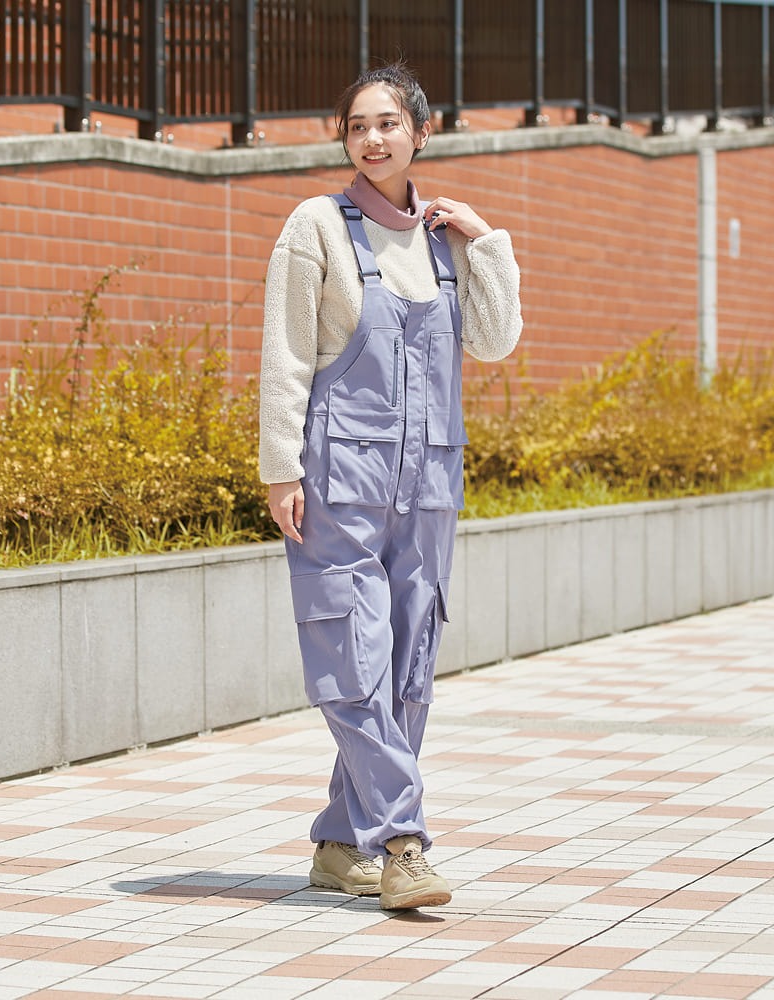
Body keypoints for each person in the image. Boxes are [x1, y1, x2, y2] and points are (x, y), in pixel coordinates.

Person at [258, 61, 522, 910]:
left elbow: (494, 341)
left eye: (387, 124)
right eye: (356, 127)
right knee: (353, 655)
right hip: (340, 477)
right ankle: (402, 843)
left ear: (421, 132)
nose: (371, 139)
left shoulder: (444, 239)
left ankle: (343, 842)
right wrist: (279, 468)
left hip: (430, 482)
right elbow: (286, 353)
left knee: (409, 663)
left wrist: (486, 242)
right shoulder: (317, 225)